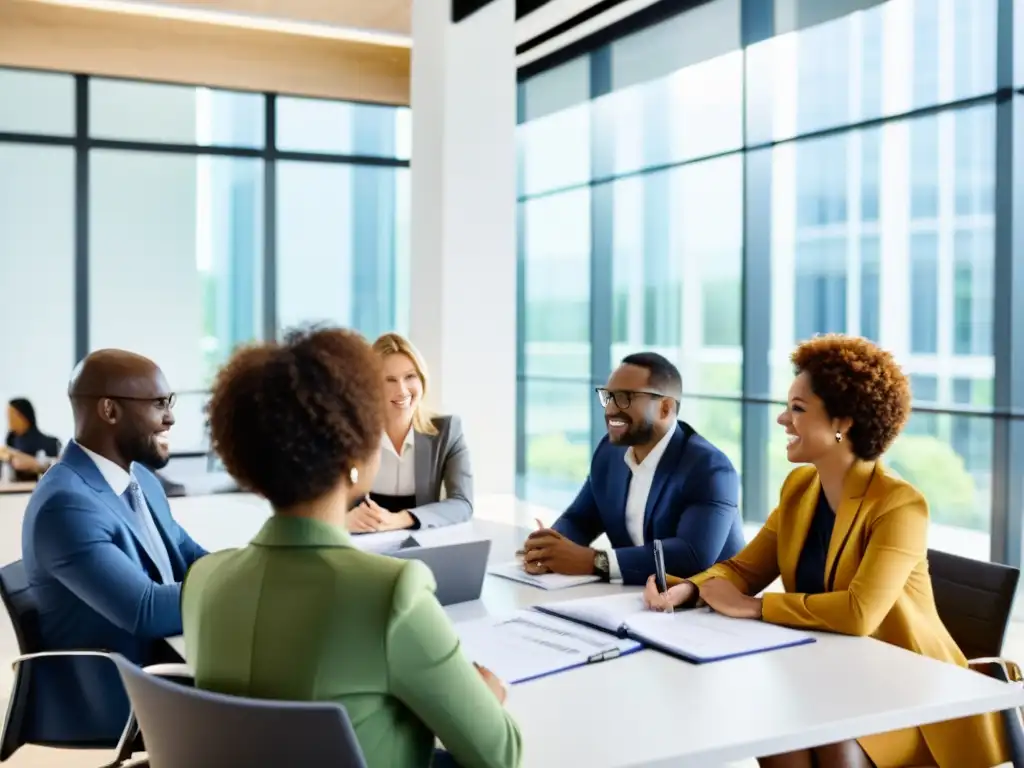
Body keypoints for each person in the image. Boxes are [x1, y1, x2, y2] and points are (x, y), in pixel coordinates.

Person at [643, 335, 1008, 768]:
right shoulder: (800, 488)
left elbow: (859, 613)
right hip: (833, 677)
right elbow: (744, 568)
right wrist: (688, 591)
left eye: (797, 409)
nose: (782, 419)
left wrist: (755, 609)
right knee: (776, 729)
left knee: (833, 743)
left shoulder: (899, 504)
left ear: (844, 423)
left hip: (916, 694)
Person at [182, 327, 522, 768]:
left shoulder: (203, 580)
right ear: (356, 457)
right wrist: (485, 698)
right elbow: (501, 755)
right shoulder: (391, 595)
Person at [20, 350, 208, 744]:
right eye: (159, 404)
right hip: (118, 696)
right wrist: (249, 589)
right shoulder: (66, 503)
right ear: (109, 410)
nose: (170, 417)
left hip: (166, 668)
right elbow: (146, 610)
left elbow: (193, 559)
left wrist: (262, 569)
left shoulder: (141, 481)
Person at [522, 352, 743, 586]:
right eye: (608, 397)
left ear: (665, 408)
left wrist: (595, 562)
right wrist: (547, 549)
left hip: (710, 607)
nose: (610, 410)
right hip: (636, 598)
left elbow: (692, 555)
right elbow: (580, 519)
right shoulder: (610, 453)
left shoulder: (710, 468)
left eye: (625, 398)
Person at [346, 332, 473, 533]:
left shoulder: (448, 431)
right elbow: (315, 508)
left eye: (410, 376)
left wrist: (401, 519)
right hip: (359, 547)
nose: (402, 390)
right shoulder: (349, 433)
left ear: (422, 379)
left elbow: (462, 504)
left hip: (419, 546)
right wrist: (342, 521)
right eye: (389, 380)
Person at [2, 397, 62, 481]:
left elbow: (56, 468)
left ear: (24, 417)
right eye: (8, 415)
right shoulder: (11, 441)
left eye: (13, 415)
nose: (9, 419)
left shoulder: (50, 443)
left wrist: (34, 463)